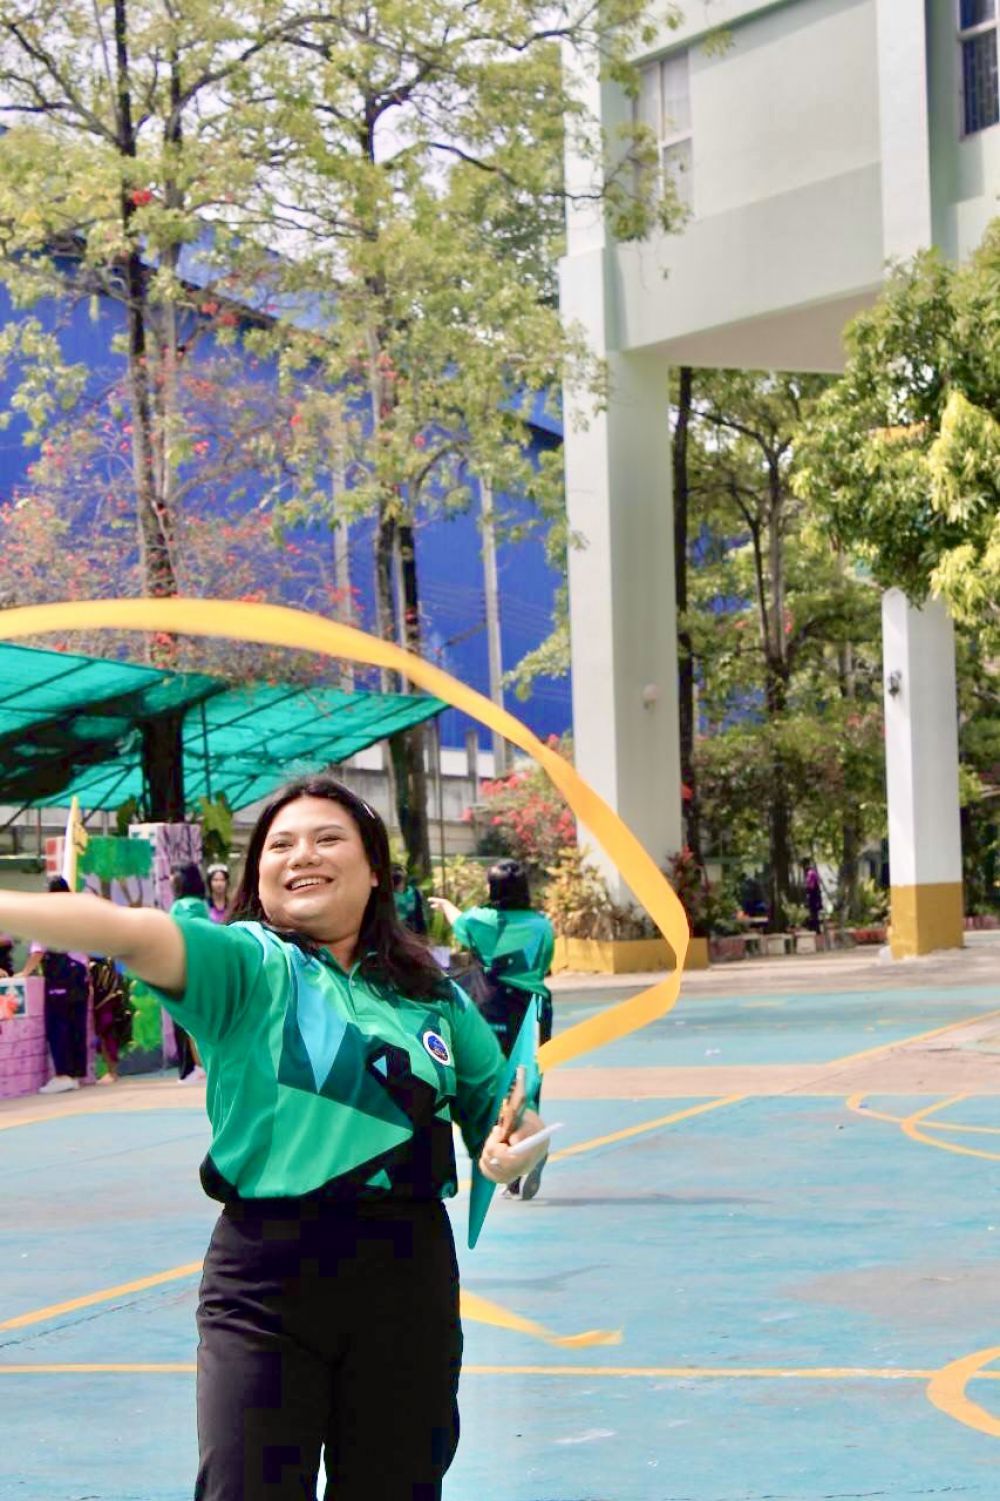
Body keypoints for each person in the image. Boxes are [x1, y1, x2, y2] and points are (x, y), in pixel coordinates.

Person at [0, 775, 545, 1500]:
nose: (302, 855)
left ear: (374, 869)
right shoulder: (243, 967)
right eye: (280, 844)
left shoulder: (432, 994)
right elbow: (129, 932)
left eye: (328, 838)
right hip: (264, 1282)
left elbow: (503, 1109)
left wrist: (516, 1146)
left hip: (406, 1278)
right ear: (258, 872)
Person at [430, 857, 554, 1200]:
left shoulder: (481, 920)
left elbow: (461, 925)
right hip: (533, 1009)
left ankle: (507, 1157)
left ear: (493, 889)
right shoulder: (542, 925)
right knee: (529, 1081)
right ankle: (531, 1141)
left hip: (493, 1007)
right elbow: (544, 963)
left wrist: (446, 906)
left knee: (497, 1083)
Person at [17, 875, 92, 1094]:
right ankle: (76, 1074)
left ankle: (62, 1074)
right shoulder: (80, 916)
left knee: (58, 1024)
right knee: (77, 1025)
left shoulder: (47, 917)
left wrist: (24, 973)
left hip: (60, 974)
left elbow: (38, 951)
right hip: (80, 973)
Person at [170, 864, 210, 1084]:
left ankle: (195, 1067)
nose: (170, 879)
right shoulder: (201, 905)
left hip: (185, 969)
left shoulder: (182, 906)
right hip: (200, 967)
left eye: (174, 875)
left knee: (185, 1021)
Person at [90, 955, 134, 1085]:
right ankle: (111, 1071)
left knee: (106, 1031)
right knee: (106, 1032)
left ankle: (112, 1071)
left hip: (106, 992)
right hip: (108, 989)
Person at [392, 863, 428, 936]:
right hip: (395, 932)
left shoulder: (414, 892)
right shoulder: (388, 894)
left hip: (412, 931)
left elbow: (420, 915)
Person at [804, 863, 824, 934]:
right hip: (816, 896)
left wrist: (808, 890)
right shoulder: (814, 873)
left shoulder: (810, 874)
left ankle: (814, 928)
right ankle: (816, 928)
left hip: (813, 897)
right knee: (815, 913)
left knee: (813, 913)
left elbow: (811, 886)